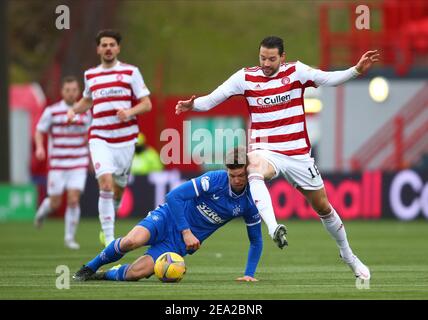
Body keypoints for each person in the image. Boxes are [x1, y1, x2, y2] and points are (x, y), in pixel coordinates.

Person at [175, 36, 379, 280]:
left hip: (298, 155)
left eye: (272, 59)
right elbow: (214, 98)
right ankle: (273, 228)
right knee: (254, 169)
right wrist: (193, 105)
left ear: (282, 57)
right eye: (262, 57)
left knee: (323, 207)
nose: (266, 63)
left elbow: (328, 79)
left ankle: (348, 255)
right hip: (266, 149)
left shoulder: (297, 72)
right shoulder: (245, 77)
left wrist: (355, 70)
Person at [73, 147, 263, 282]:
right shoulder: (213, 180)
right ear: (226, 171)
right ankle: (89, 267)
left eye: (241, 175)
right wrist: (187, 232)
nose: (236, 180)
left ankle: (107, 274)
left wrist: (249, 273)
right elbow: (173, 197)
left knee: (135, 274)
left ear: (248, 172)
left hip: (177, 244)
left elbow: (256, 240)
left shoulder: (250, 200)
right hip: (167, 219)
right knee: (131, 241)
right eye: (232, 175)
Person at [67, 29, 152, 247]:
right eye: (104, 45)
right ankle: (110, 239)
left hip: (125, 140)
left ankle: (110, 218)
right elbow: (87, 100)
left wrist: (129, 113)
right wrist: (73, 111)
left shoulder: (130, 73)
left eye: (111, 44)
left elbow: (146, 103)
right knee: (105, 184)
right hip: (100, 137)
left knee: (118, 188)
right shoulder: (90, 75)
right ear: (98, 49)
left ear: (118, 48)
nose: (108, 48)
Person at [34, 76, 91, 250]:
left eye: (74, 90)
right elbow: (39, 130)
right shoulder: (52, 111)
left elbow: (91, 135)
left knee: (73, 199)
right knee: (55, 202)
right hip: (58, 163)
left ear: (78, 91)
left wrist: (91, 155)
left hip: (78, 162)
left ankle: (69, 238)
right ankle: (41, 213)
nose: (71, 93)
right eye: (68, 90)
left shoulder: (86, 112)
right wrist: (39, 148)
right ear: (62, 92)